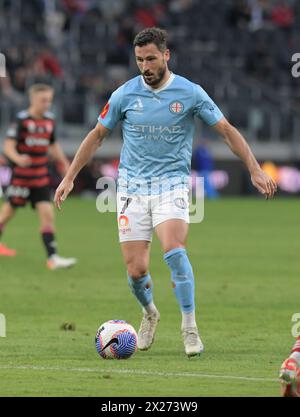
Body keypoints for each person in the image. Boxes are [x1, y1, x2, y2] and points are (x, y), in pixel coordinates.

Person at [54, 27, 277, 356]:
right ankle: (149, 313)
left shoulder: (190, 93)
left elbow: (227, 131)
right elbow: (97, 135)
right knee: (136, 270)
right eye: (140, 60)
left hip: (171, 184)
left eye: (151, 59)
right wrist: (70, 176)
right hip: (131, 187)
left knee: (174, 250)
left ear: (166, 55)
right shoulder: (124, 95)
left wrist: (255, 168)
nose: (145, 66)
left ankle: (190, 327)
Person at [0, 83, 77, 270]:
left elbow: (53, 146)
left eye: (49, 100)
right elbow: (8, 146)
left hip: (40, 177)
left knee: (47, 214)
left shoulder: (49, 121)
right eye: (43, 100)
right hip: (21, 178)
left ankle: (52, 258)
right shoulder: (22, 120)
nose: (47, 104)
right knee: (6, 215)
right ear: (33, 99)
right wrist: (18, 157)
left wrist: (66, 165)